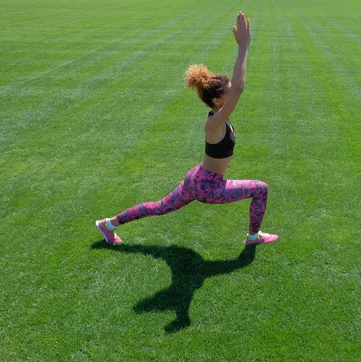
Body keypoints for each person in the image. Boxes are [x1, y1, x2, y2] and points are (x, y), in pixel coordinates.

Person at [96, 12, 278, 246]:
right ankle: (253, 237)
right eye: (228, 91)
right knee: (261, 189)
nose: (233, 93)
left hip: (197, 177)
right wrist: (244, 47)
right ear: (217, 100)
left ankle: (107, 224)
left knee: (159, 207)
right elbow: (240, 88)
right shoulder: (214, 123)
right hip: (208, 186)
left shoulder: (218, 117)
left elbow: (236, 90)